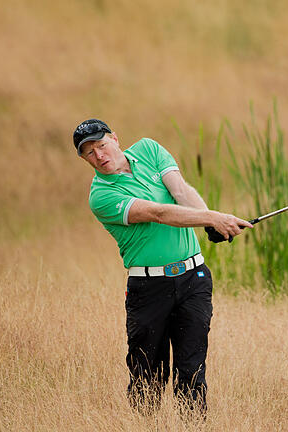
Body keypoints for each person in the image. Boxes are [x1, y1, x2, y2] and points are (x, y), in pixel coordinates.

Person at [74, 118, 252, 414]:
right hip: (148, 288)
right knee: (147, 376)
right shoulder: (101, 196)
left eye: (102, 145)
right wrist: (212, 218)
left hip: (193, 280)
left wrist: (209, 220)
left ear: (115, 139)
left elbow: (181, 192)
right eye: (89, 153)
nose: (100, 156)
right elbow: (157, 212)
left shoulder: (149, 150)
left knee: (192, 371)